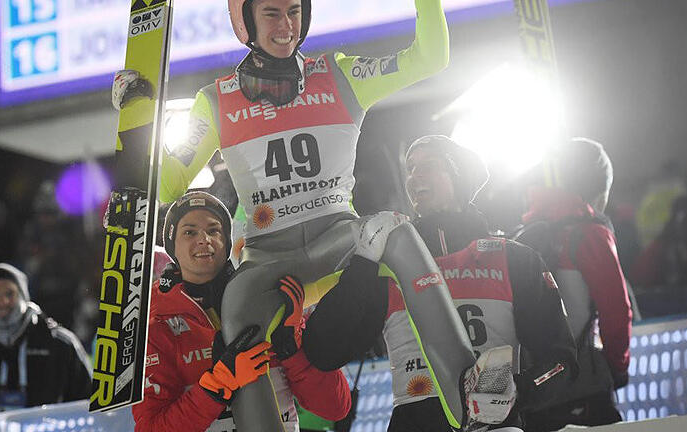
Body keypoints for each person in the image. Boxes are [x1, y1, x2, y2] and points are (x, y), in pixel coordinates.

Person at [114, 1, 476, 430]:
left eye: (294, 11)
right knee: (236, 307)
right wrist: (137, 114)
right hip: (270, 262)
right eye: (271, 13)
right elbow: (168, 185)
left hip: (340, 242)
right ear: (244, 21)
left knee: (398, 233)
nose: (286, 25)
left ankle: (473, 396)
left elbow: (429, 57)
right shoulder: (215, 100)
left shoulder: (340, 74)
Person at [302, 135, 579, 431]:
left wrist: (518, 390)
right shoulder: (389, 264)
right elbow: (323, 352)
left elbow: (562, 362)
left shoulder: (515, 258)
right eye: (409, 168)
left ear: (459, 176)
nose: (414, 177)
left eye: (428, 165)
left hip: (495, 426)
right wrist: (361, 265)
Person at [131, 190, 351, 432]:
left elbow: (336, 406)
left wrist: (292, 346)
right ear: (172, 246)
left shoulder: (271, 299)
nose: (204, 239)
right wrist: (218, 385)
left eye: (214, 230)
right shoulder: (156, 323)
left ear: (227, 240)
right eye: (189, 232)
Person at [514, 137, 632, 430]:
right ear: (598, 190)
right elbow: (617, 312)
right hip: (585, 391)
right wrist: (617, 368)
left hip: (533, 395)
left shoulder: (520, 237)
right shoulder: (590, 233)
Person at [0, 263, 91, 417]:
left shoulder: (60, 345)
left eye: (10, 294)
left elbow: (86, 400)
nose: (3, 302)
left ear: (23, 297)